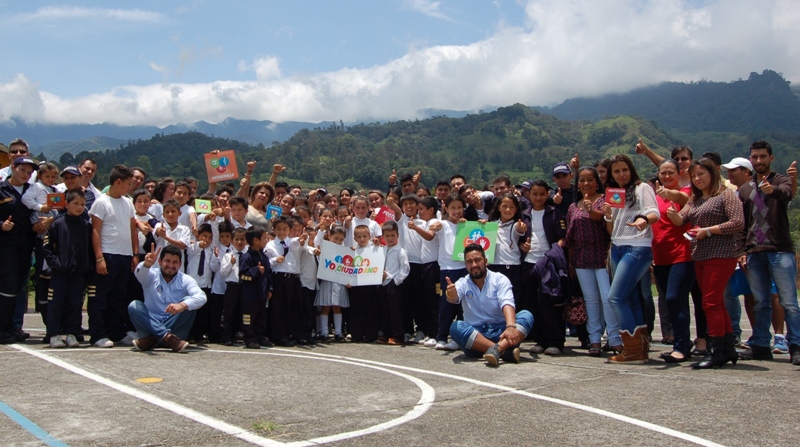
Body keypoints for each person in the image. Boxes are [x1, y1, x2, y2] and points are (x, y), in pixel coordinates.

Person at [667, 158, 744, 369]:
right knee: (715, 302)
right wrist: (672, 213)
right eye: (694, 176)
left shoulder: (725, 195)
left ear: (712, 174)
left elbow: (738, 222)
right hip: (700, 256)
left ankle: (715, 349)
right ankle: (727, 347)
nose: (697, 179)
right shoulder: (695, 198)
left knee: (710, 303)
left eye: (701, 174)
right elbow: (681, 220)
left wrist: (708, 231)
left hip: (721, 254)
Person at [737, 141, 800, 365]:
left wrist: (772, 190)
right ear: (750, 159)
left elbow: (787, 194)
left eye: (763, 156)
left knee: (789, 301)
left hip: (779, 250)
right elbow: (743, 223)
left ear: (771, 158)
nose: (759, 161)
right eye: (755, 157)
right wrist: (742, 250)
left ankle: (796, 345)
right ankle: (761, 344)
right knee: (761, 302)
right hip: (754, 252)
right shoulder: (745, 189)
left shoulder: (780, 180)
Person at [602, 154, 659, 364]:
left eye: (624, 170)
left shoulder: (642, 188)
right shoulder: (615, 193)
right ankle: (640, 349)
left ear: (631, 169)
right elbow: (612, 229)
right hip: (617, 246)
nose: (621, 174)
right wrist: (608, 215)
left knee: (615, 297)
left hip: (637, 246)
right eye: (616, 171)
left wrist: (644, 219)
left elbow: (654, 213)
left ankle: (632, 349)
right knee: (630, 298)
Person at [446, 243, 534, 367]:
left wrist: (510, 327)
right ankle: (501, 350)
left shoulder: (500, 279)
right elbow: (453, 298)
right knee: (456, 327)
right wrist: (451, 294)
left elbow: (507, 303)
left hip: (502, 333)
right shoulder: (462, 282)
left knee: (527, 315)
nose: (474, 265)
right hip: (476, 339)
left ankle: (498, 350)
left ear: (486, 261)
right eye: (469, 262)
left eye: (477, 260)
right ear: (465, 265)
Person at [565, 168, 618, 357]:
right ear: (577, 183)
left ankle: (614, 338)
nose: (586, 183)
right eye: (582, 180)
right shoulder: (573, 207)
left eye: (590, 180)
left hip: (602, 255)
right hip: (581, 258)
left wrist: (590, 209)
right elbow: (570, 237)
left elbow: (604, 222)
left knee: (607, 298)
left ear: (597, 182)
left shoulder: (605, 200)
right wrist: (571, 262)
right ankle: (594, 338)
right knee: (591, 301)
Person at [88, 164, 139, 348]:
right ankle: (97, 334)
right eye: (128, 183)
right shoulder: (101, 202)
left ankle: (116, 331)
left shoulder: (128, 202)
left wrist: (134, 253)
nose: (129, 187)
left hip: (124, 256)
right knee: (101, 297)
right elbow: (95, 231)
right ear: (118, 182)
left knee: (118, 296)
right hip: (108, 254)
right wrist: (99, 257)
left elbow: (133, 228)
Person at [650, 159, 695, 363]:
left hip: (682, 255)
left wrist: (670, 194)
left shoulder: (686, 192)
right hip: (660, 256)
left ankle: (682, 346)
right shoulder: (654, 197)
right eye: (663, 173)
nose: (666, 177)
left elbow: (684, 198)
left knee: (675, 299)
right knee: (671, 301)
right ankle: (681, 342)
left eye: (670, 173)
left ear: (679, 173)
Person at [128, 244, 207, 353]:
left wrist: (181, 305)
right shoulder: (150, 275)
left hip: (176, 330)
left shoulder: (185, 279)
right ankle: (166, 337)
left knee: (189, 303)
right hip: (151, 325)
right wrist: (146, 264)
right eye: (167, 261)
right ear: (159, 261)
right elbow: (139, 274)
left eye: (175, 262)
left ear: (180, 264)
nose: (170, 265)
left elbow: (202, 296)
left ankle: (153, 339)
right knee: (134, 306)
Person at [43, 189, 92, 348]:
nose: (79, 207)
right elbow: (47, 246)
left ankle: (72, 333)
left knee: (75, 303)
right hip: (60, 273)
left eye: (82, 204)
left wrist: (86, 266)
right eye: (75, 204)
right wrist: (55, 264)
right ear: (66, 204)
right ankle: (54, 334)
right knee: (56, 303)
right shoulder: (57, 223)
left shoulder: (86, 225)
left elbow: (90, 248)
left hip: (79, 273)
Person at [0, 157, 38, 344]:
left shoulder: (32, 191)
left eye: (29, 173)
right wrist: (1, 224)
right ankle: (2, 328)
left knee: (19, 285)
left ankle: (14, 327)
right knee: (8, 285)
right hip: (6, 243)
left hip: (26, 243)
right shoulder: (1, 190)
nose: (26, 175)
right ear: (12, 168)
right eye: (22, 170)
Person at [239, 227, 273, 349]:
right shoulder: (247, 257)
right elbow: (242, 275)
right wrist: (255, 271)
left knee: (261, 316)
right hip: (250, 295)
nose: (266, 240)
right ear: (255, 240)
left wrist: (270, 288)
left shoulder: (264, 257)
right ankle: (249, 338)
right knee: (249, 317)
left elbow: (268, 274)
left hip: (262, 293)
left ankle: (260, 336)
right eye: (264, 238)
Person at [314, 226, 350, 342]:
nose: (338, 242)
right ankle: (324, 332)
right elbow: (316, 244)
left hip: (339, 282)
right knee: (325, 306)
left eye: (341, 239)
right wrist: (321, 230)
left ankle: (338, 332)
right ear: (329, 236)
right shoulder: (324, 247)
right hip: (326, 280)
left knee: (337, 306)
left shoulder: (345, 250)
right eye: (336, 238)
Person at [377, 221, 409, 346]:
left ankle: (397, 335)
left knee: (395, 311)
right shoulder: (381, 250)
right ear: (383, 237)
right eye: (387, 236)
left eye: (392, 235)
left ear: (397, 235)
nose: (390, 238)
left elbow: (405, 268)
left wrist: (396, 281)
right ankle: (385, 333)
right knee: (384, 309)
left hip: (394, 284)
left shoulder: (400, 251)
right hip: (382, 283)